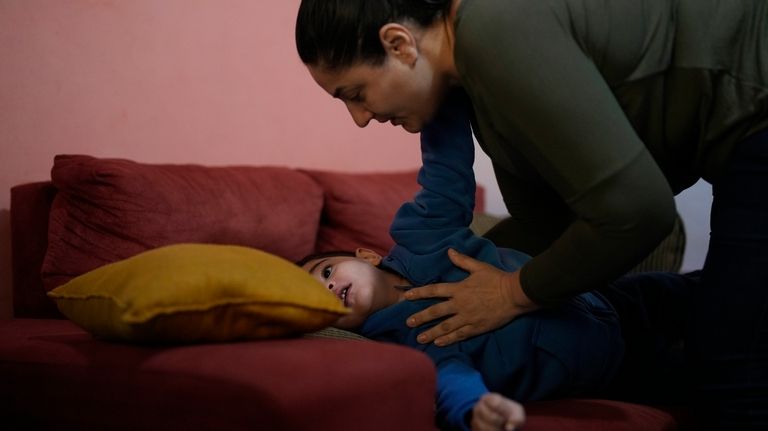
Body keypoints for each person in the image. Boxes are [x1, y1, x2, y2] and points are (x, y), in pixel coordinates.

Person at [294, 1, 768, 428]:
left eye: (355, 92)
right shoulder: (470, 81)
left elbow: (639, 213)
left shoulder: (491, 33)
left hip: (754, 107)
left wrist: (510, 292)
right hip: (726, 153)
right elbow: (554, 217)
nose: (360, 117)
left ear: (398, 44)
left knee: (730, 368)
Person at [299, 92, 625, 431]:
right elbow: (450, 378)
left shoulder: (420, 234)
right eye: (320, 296)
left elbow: (445, 172)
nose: (331, 287)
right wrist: (475, 410)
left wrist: (441, 94)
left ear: (366, 255)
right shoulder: (406, 344)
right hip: (610, 366)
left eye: (326, 272)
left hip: (600, 294)